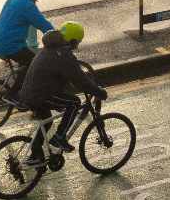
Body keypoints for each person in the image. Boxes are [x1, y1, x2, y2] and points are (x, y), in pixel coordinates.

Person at [19, 21, 107, 165]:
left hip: (29, 92)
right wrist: (99, 92)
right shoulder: (64, 55)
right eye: (77, 42)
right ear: (72, 41)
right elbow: (80, 80)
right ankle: (60, 137)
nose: (77, 46)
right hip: (41, 94)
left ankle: (35, 155)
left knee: (46, 122)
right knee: (74, 103)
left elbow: (62, 76)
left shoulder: (51, 48)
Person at [0, 0, 54, 105]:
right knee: (33, 63)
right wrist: (57, 36)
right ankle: (13, 95)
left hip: (0, 40)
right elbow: (42, 23)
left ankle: (24, 96)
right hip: (9, 44)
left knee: (25, 63)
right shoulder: (26, 4)